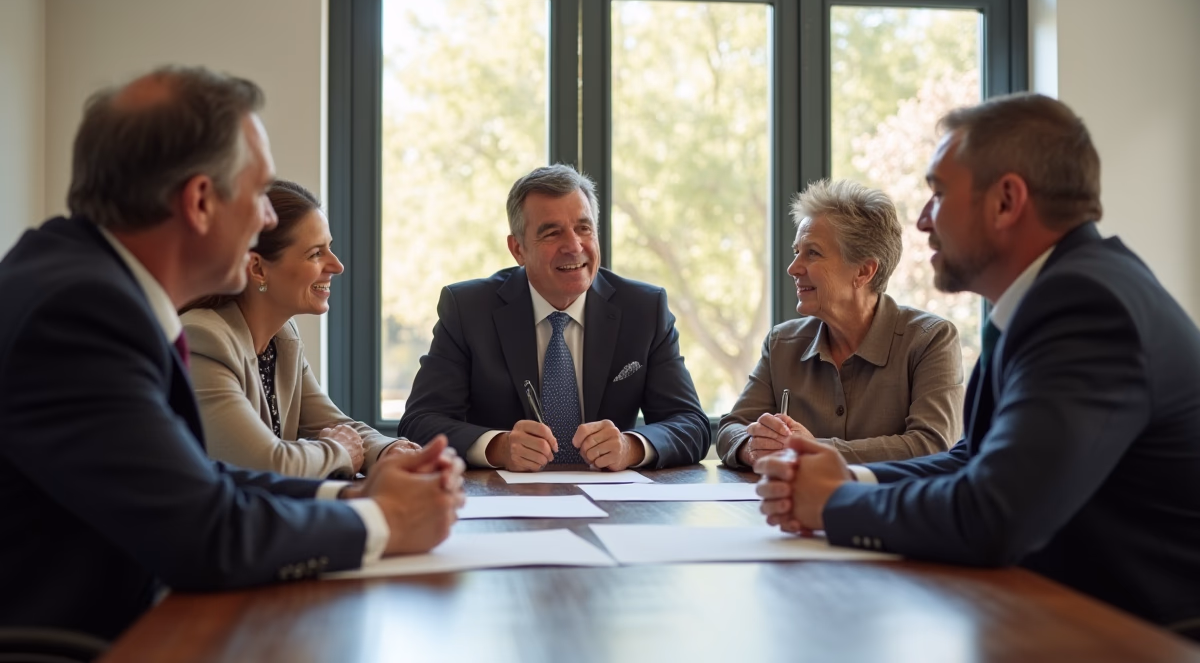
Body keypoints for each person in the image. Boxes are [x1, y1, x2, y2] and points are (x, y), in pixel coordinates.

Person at [0, 66, 465, 642]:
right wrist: (384, 520)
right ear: (199, 201)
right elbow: (206, 533)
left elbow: (196, 479)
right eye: (258, 193)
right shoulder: (79, 312)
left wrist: (349, 491)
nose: (267, 217)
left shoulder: (87, 284)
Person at [755, 93, 1200, 636]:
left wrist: (837, 503)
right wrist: (851, 475)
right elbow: (972, 458)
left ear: (1006, 202)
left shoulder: (1086, 305)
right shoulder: (1048, 295)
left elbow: (995, 514)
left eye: (938, 193)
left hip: (1142, 635)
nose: (921, 221)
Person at [398, 164, 710, 472]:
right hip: (504, 508)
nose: (574, 246)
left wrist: (632, 446)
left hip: (616, 505)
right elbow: (419, 422)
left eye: (584, 228)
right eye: (552, 233)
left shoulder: (644, 309)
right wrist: (497, 446)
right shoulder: (468, 309)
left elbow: (691, 425)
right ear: (518, 249)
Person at [716, 179, 963, 468]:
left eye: (813, 253)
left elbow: (932, 445)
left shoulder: (931, 339)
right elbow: (730, 429)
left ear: (863, 271)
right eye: (797, 251)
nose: (793, 268)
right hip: (790, 509)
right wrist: (754, 446)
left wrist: (815, 451)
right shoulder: (781, 343)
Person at [181, 180, 419, 479]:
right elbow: (266, 463)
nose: (337, 265)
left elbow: (332, 423)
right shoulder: (202, 339)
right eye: (315, 253)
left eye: (329, 248)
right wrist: (340, 452)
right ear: (257, 268)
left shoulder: (282, 337)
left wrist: (388, 451)